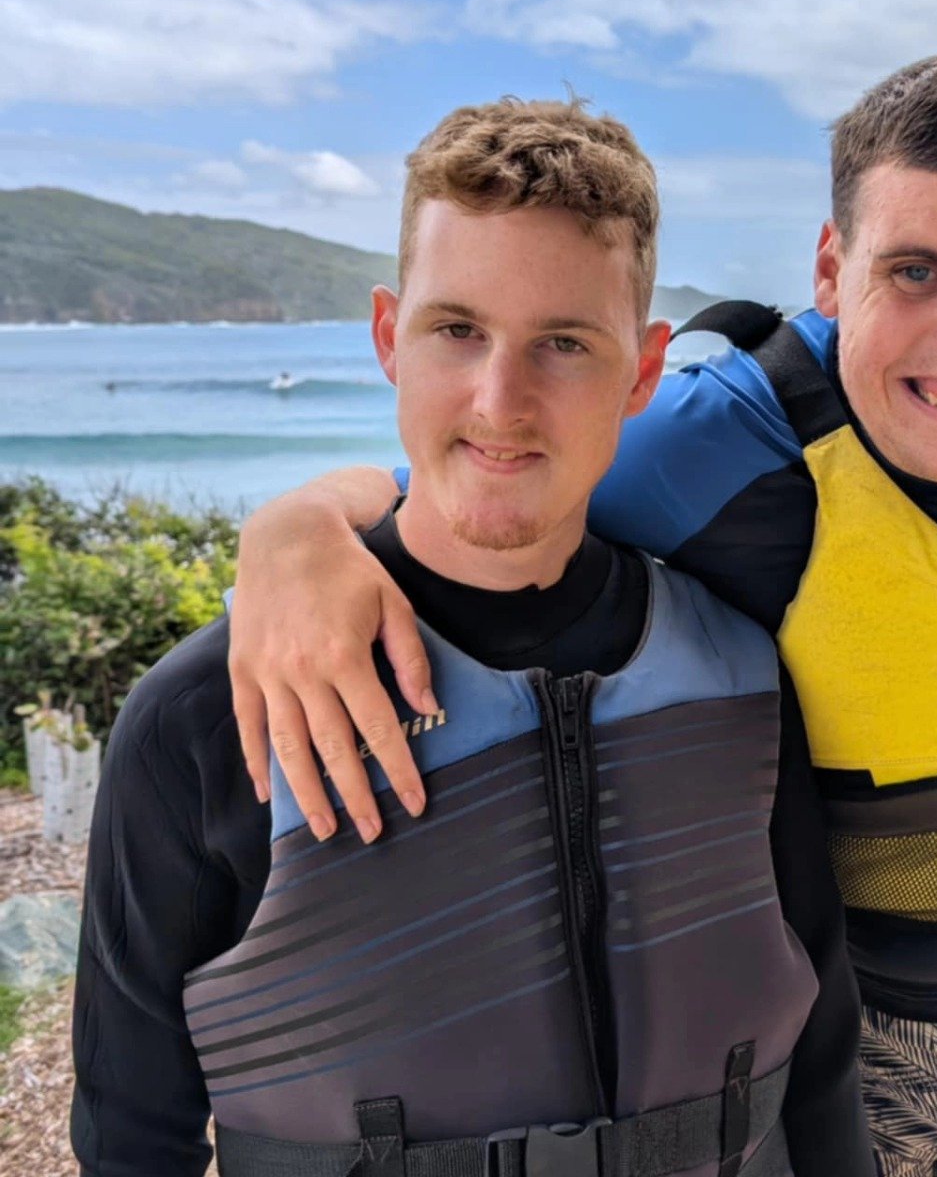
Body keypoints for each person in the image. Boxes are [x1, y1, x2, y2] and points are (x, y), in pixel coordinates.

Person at [223, 53, 937, 1175]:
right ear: (831, 265)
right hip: (819, 1030)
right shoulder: (718, 445)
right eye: (915, 271)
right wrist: (300, 527)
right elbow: (484, 474)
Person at [70, 98, 873, 1177]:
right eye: (458, 331)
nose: (502, 402)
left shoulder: (737, 674)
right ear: (388, 338)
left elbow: (821, 1063)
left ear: (641, 371)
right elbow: (131, 1133)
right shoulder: (206, 716)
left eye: (563, 344)